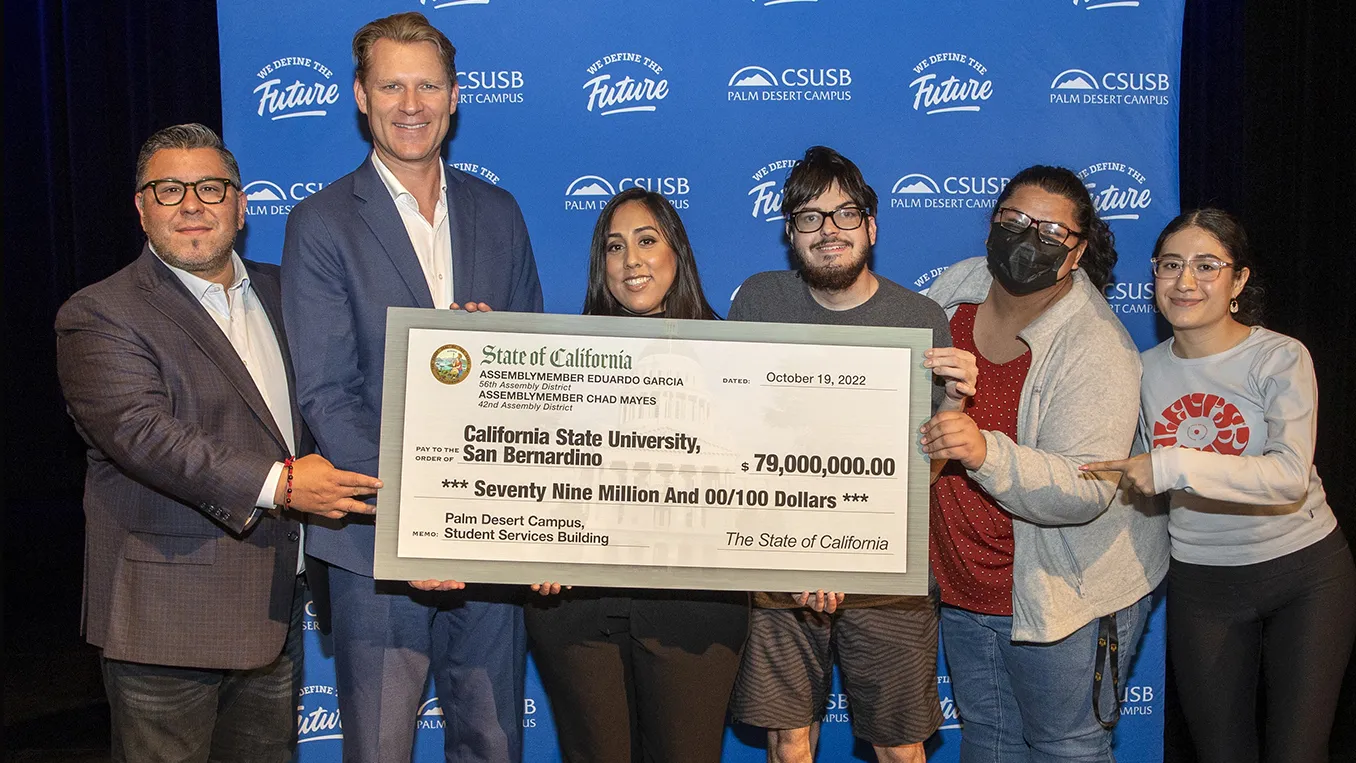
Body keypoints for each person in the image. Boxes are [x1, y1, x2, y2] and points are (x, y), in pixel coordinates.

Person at [55, 123, 381, 763]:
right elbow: (142, 435)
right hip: (167, 616)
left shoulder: (289, 290)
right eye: (169, 189)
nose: (192, 205)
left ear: (241, 203)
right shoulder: (101, 312)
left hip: (275, 606)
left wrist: (456, 343)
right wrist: (282, 485)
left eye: (210, 187)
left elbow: (363, 374)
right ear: (141, 207)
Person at [281, 12, 543, 763]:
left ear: (455, 96)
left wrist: (502, 355)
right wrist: (419, 521)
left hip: (492, 539)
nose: (411, 103)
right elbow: (328, 393)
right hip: (377, 540)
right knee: (381, 748)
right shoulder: (322, 222)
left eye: (427, 84)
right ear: (361, 96)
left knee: (494, 744)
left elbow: (535, 380)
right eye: (391, 84)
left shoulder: (499, 213)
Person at [726, 146, 978, 763]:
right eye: (810, 217)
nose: (829, 230)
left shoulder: (918, 319)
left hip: (886, 573)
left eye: (845, 214)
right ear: (791, 234)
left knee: (900, 746)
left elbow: (928, 459)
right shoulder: (758, 303)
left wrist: (957, 406)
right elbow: (736, 438)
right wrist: (805, 552)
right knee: (789, 743)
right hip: (779, 562)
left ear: (872, 225)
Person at [1082, 209, 1356, 763]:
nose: (1186, 282)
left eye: (1208, 266)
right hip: (1204, 584)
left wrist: (1171, 464)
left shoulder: (1279, 356)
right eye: (1171, 265)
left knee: (1298, 754)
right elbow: (1125, 469)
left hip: (1305, 572)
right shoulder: (1141, 369)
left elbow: (1287, 477)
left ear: (1239, 280)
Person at [920, 165, 1168, 762]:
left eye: (1052, 232)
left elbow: (1085, 488)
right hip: (964, 578)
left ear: (1078, 251)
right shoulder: (955, 289)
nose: (1027, 238)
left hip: (1061, 588)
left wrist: (983, 451)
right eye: (1014, 221)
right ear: (992, 223)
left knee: (1067, 747)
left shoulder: (1096, 345)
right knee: (990, 741)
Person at [524, 187, 750, 763]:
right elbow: (531, 468)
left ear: (677, 251)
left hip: (695, 610)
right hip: (576, 606)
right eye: (614, 247)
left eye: (647, 241)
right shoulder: (560, 359)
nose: (631, 260)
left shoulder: (741, 358)